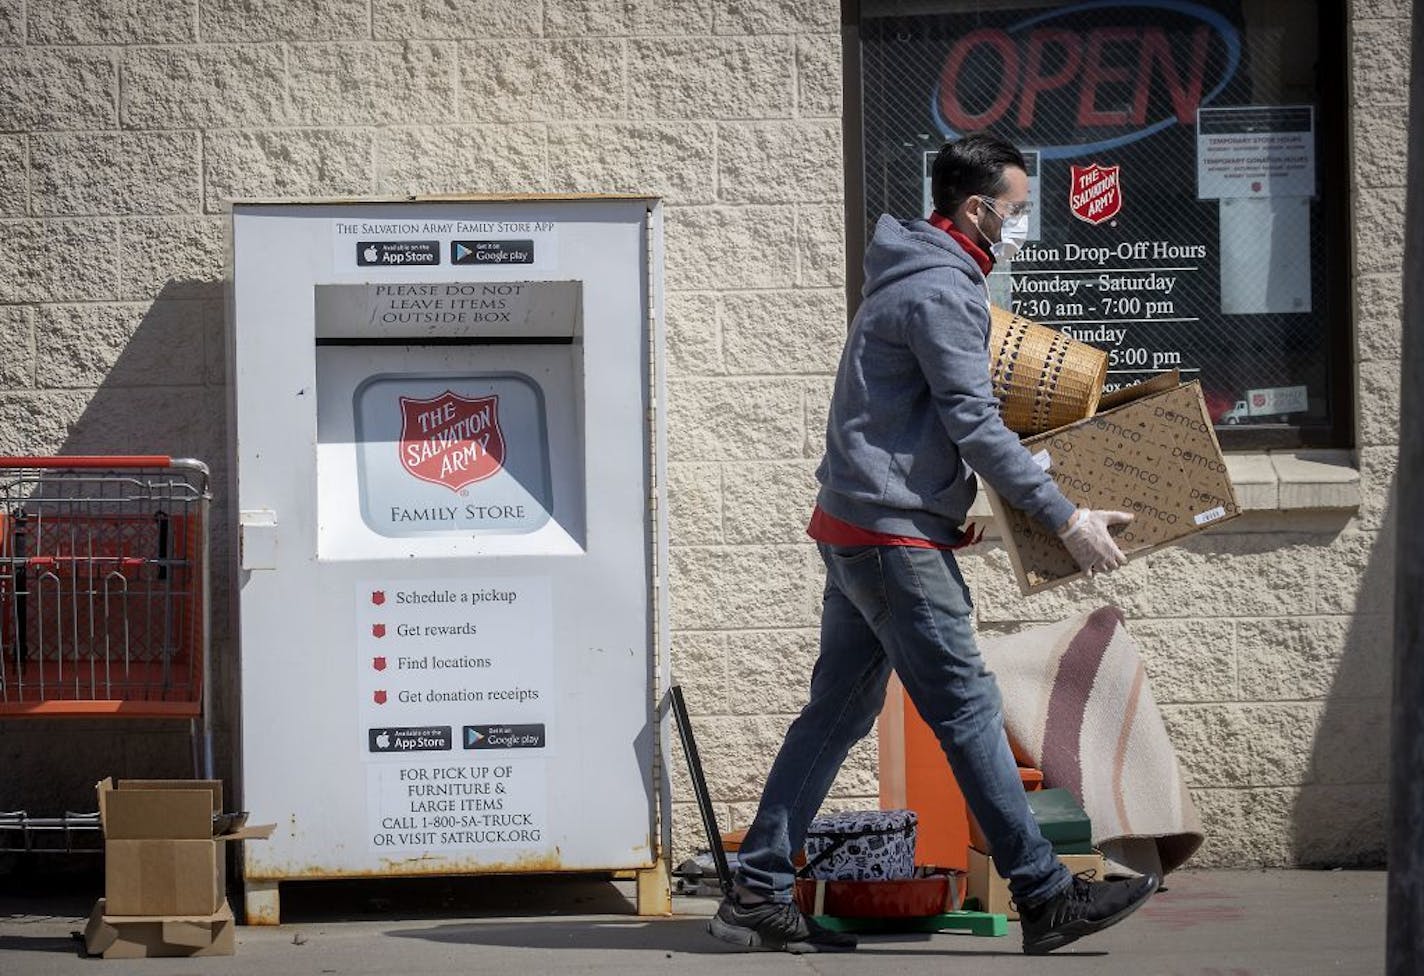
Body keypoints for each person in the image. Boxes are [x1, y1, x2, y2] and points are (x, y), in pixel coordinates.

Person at [707, 131, 1156, 956]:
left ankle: (759, 891)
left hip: (859, 528)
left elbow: (904, 424)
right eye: (1016, 209)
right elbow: (975, 425)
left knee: (836, 713)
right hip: (890, 544)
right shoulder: (941, 291)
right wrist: (1064, 518)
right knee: (970, 713)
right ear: (977, 207)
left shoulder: (911, 275)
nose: (1021, 222)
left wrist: (956, 510)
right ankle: (1046, 895)